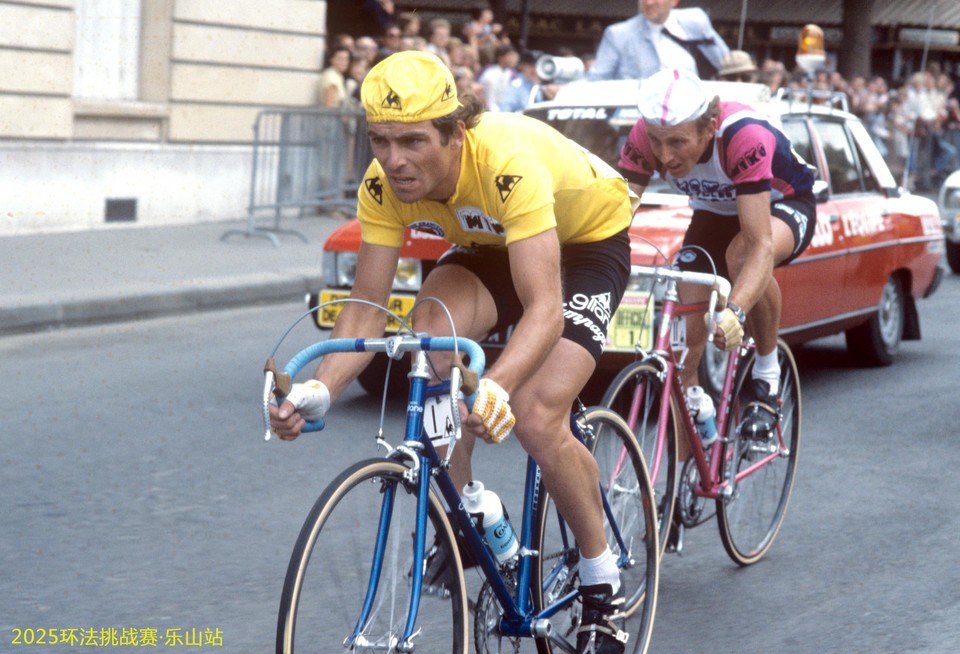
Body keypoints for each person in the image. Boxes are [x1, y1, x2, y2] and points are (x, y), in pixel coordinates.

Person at [270, 50, 638, 653]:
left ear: (455, 133)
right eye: (381, 141)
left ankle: (603, 585)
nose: (395, 160)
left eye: (413, 141)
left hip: (584, 244)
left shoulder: (506, 164)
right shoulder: (382, 184)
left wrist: (495, 386)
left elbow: (544, 307)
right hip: (489, 244)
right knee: (426, 347)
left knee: (540, 415)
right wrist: (320, 391)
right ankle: (476, 514)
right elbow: (365, 305)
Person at [617, 69, 816, 542]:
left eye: (679, 143)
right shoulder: (646, 136)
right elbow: (613, 217)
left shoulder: (742, 136)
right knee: (681, 355)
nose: (666, 157)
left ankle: (766, 379)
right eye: (659, 143)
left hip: (784, 207)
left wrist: (737, 311)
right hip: (712, 215)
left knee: (742, 256)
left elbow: (761, 244)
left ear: (708, 125)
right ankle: (685, 473)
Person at [587, 0, 728, 81]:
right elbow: (596, 78)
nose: (649, 2)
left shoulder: (695, 20)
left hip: (693, 115)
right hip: (640, 120)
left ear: (674, 1)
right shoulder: (619, 34)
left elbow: (726, 63)